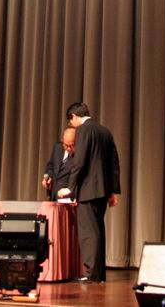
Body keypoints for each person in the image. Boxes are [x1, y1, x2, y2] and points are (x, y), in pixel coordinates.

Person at [57, 102, 120, 283]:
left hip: (88, 190)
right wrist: (113, 191)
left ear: (74, 116)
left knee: (88, 233)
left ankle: (92, 274)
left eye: (70, 121)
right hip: (103, 190)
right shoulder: (105, 131)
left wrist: (70, 188)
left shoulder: (84, 130)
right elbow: (114, 163)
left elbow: (80, 161)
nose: (71, 125)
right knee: (98, 230)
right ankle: (99, 274)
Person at [41, 127, 76, 201]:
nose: (69, 148)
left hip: (69, 198)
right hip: (53, 195)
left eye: (72, 145)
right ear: (62, 141)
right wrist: (48, 176)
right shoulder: (57, 147)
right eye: (66, 145)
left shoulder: (80, 156)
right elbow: (51, 166)